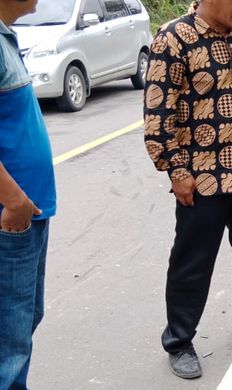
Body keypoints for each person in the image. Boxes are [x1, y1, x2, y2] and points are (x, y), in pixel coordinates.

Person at [144, 0, 232, 379]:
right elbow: (158, 114)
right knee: (193, 260)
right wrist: (175, 169)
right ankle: (180, 340)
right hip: (201, 176)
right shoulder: (173, 38)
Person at [0, 1, 57, 388]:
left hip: (28, 213)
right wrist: (14, 200)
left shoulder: (6, 36)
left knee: (24, 321)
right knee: (10, 340)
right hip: (13, 217)